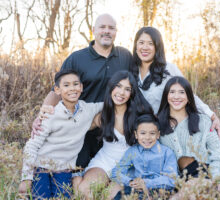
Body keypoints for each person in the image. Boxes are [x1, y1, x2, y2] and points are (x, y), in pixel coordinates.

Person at [31, 13, 133, 169]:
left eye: (111, 28)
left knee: (113, 171)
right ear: (93, 30)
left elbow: (134, 86)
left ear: (116, 32)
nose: (106, 31)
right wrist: (42, 115)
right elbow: (56, 91)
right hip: (82, 128)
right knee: (76, 170)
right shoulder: (77, 58)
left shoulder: (125, 56)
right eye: (102, 27)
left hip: (113, 127)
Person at [18, 70, 103, 199]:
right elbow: (32, 146)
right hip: (41, 167)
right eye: (66, 85)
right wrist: (26, 178)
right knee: (41, 197)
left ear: (81, 87)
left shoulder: (88, 109)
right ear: (57, 90)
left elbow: (108, 103)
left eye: (75, 84)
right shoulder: (50, 114)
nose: (72, 88)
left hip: (64, 170)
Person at [131, 26, 220, 143]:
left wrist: (212, 115)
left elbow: (188, 95)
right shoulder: (130, 71)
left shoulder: (168, 69)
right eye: (141, 43)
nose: (145, 47)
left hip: (162, 131)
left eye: (150, 43)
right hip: (136, 132)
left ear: (157, 47)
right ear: (136, 46)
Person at [72, 71, 153, 199]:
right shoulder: (103, 115)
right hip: (104, 162)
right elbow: (76, 129)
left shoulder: (138, 116)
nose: (121, 93)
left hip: (126, 170)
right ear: (111, 87)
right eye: (118, 86)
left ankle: (78, 181)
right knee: (85, 191)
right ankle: (78, 182)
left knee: (108, 197)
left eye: (127, 89)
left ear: (132, 93)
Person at [157, 76, 220, 197]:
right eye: (172, 92)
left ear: (189, 97)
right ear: (166, 96)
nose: (176, 96)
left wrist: (217, 179)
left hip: (208, 173)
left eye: (182, 92)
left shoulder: (203, 121)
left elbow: (219, 153)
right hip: (177, 180)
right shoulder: (157, 125)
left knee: (199, 188)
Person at [110, 114, 178, 200]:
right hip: (135, 188)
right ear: (136, 134)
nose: (147, 137)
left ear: (158, 135)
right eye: (143, 133)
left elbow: (172, 180)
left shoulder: (167, 153)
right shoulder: (132, 151)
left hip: (159, 190)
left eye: (152, 133)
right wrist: (130, 182)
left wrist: (146, 183)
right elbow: (115, 172)